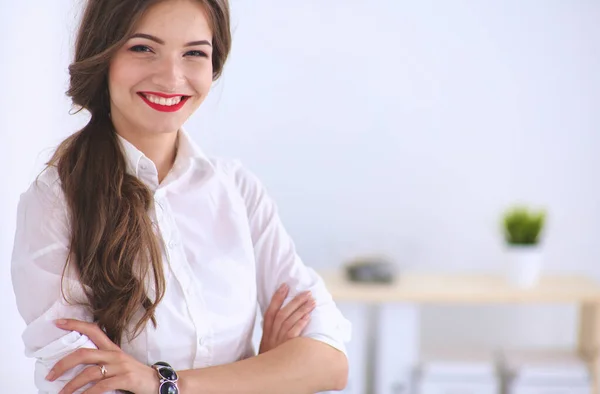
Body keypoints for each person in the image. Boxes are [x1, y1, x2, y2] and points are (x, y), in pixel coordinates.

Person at [10, 0, 351, 393]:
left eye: (194, 53)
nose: (172, 78)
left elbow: (328, 363)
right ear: (103, 53)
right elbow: (80, 384)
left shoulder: (238, 191)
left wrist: (164, 383)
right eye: (143, 48)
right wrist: (261, 374)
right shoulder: (56, 203)